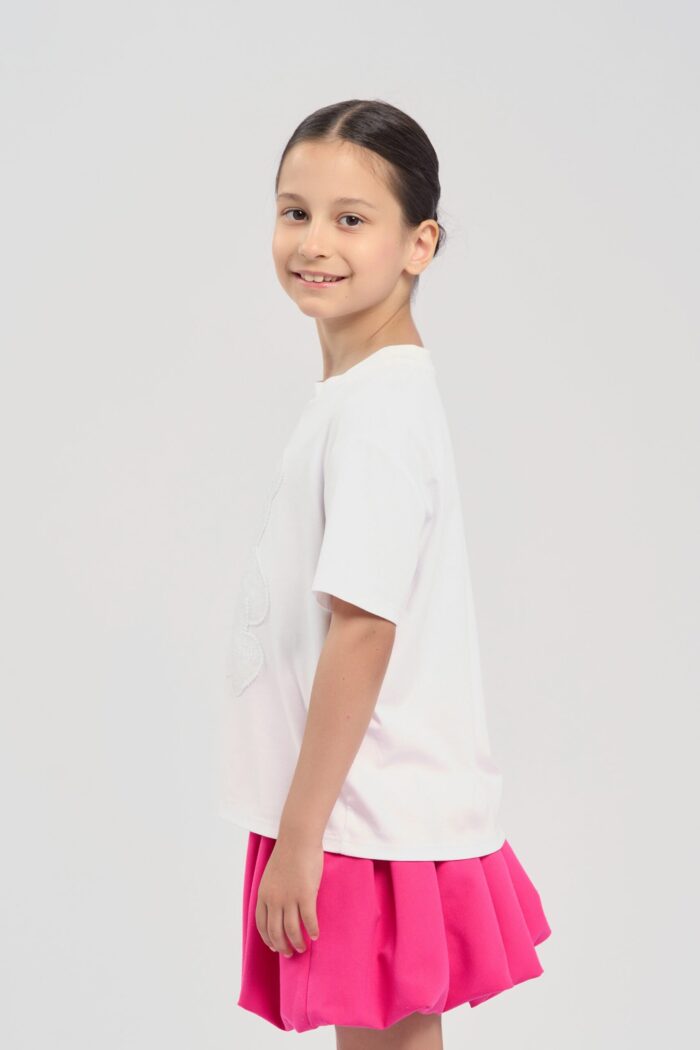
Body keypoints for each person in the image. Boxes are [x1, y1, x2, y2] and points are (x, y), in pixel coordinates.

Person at [219, 98, 552, 1045]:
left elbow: (364, 627)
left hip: (364, 806)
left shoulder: (378, 413)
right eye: (295, 212)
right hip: (357, 800)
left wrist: (302, 831)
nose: (314, 242)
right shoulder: (364, 395)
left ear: (420, 244)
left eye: (352, 219)